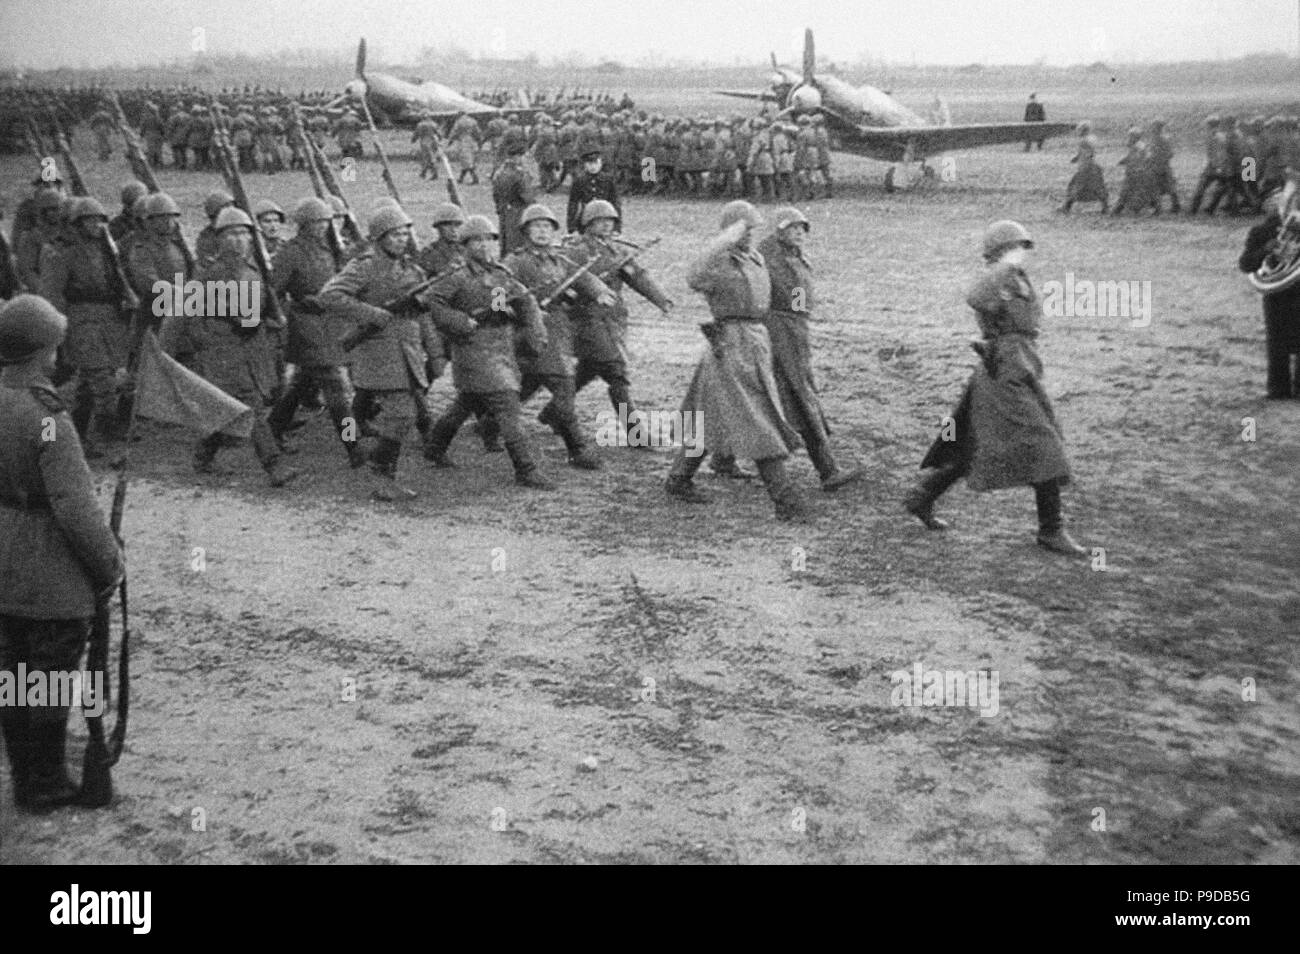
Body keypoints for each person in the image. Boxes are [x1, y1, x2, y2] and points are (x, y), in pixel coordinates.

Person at [0, 294, 125, 812]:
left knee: (12, 678)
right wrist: (110, 565)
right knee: (48, 679)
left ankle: (27, 775)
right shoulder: (48, 417)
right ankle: (45, 782)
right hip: (49, 574)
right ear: (45, 349)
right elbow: (74, 508)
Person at [902, 220, 1086, 556]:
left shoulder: (1015, 279)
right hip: (1004, 371)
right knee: (1044, 442)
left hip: (1017, 366)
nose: (1021, 253)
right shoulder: (1000, 277)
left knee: (973, 444)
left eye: (1022, 247)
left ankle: (922, 498)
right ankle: (1051, 529)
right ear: (1000, 252)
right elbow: (975, 297)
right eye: (1015, 247)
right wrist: (1001, 270)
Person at [664, 201, 810, 522]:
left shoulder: (756, 258)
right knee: (757, 418)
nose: (749, 234)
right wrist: (724, 239)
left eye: (752, 229)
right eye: (743, 228)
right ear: (730, 231)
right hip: (729, 345)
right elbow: (692, 275)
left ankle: (678, 478)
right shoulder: (718, 262)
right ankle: (784, 498)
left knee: (711, 415)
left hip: (755, 342)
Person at [419, 215, 556, 490]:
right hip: (472, 348)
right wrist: (460, 321)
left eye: (489, 240)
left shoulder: (500, 273)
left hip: (501, 349)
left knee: (466, 403)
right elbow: (431, 301)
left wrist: (534, 329)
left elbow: (524, 298)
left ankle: (434, 447)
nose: (484, 246)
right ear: (465, 245)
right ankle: (526, 468)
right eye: (476, 241)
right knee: (508, 407)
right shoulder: (456, 276)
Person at [169, 207, 299, 488]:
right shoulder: (211, 273)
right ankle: (274, 464)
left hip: (251, 345)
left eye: (244, 233)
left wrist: (274, 317)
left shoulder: (253, 268)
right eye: (231, 234)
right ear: (220, 239)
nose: (239, 240)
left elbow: (265, 299)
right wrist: (201, 340)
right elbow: (186, 310)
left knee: (228, 409)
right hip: (223, 348)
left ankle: (203, 455)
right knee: (250, 405)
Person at [318, 203, 440, 501]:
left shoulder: (413, 269)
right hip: (377, 351)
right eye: (394, 235)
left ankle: (355, 448)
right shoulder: (365, 266)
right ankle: (379, 472)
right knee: (401, 415)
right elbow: (329, 296)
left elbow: (422, 316)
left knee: (358, 408)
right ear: (379, 237)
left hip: (407, 352)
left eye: (404, 233)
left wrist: (434, 352)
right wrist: (370, 313)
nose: (401, 239)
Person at [756, 208, 864, 491]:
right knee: (798, 397)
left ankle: (721, 457)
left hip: (792, 333)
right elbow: (778, 295)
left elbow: (799, 298)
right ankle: (827, 470)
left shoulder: (792, 256)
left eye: (802, 229)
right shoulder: (771, 257)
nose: (799, 234)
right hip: (780, 335)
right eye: (793, 229)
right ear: (779, 231)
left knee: (761, 398)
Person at [502, 204, 615, 470]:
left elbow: (582, 277)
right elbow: (498, 294)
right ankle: (577, 448)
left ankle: (490, 423)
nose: (542, 232)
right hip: (528, 331)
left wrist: (599, 290)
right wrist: (517, 310)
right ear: (526, 231)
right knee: (563, 387)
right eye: (536, 226)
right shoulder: (514, 262)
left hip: (557, 331)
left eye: (547, 227)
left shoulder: (560, 259)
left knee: (530, 382)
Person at [563, 199, 672, 448]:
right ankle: (636, 434)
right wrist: (592, 289)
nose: (605, 225)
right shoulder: (576, 250)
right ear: (587, 224)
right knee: (616, 372)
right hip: (586, 319)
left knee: (589, 369)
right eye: (599, 221)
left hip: (612, 319)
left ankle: (551, 413)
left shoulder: (617, 250)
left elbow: (637, 276)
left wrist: (661, 299)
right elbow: (570, 278)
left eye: (610, 221)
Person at [37, 197, 133, 458]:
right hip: (81, 322)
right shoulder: (64, 251)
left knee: (87, 388)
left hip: (109, 320)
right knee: (104, 386)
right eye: (89, 220)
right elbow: (52, 294)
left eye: (100, 219)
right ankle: (109, 444)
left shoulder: (106, 248)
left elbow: (117, 279)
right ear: (77, 223)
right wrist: (60, 329)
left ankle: (76, 439)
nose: (96, 225)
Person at [267, 197, 359, 464]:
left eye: (324, 221)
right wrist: (290, 310)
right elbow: (274, 290)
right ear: (302, 225)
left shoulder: (329, 249)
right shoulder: (291, 252)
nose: (321, 227)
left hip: (330, 325)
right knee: (337, 390)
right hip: (306, 326)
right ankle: (353, 446)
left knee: (300, 385)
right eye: (314, 222)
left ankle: (273, 428)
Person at [1238, 188, 1300, 398]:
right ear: (1265, 206)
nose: (1278, 204)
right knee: (1276, 342)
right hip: (1276, 294)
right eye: (1273, 201)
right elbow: (1246, 264)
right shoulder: (1259, 232)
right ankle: (1278, 389)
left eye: (1282, 200)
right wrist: (1266, 249)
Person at [492, 140, 536, 256]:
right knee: (518, 244)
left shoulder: (499, 172)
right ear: (518, 157)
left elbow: (495, 194)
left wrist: (499, 207)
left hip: (504, 211)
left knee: (505, 242)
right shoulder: (520, 174)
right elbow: (528, 197)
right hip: (519, 212)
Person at [567, 149, 622, 234]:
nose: (593, 167)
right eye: (589, 164)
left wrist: (616, 228)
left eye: (596, 163)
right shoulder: (579, 181)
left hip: (605, 217)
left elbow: (615, 204)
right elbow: (573, 205)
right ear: (585, 165)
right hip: (586, 217)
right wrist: (572, 228)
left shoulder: (608, 180)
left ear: (601, 163)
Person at [1059, 121, 1108, 213]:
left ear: (1083, 131)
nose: (1078, 132)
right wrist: (1077, 158)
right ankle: (1105, 206)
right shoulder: (1092, 139)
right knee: (1097, 187)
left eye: (1079, 130)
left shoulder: (1084, 141)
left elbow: (1087, 153)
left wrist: (1082, 160)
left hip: (1085, 168)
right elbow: (1087, 152)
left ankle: (1066, 206)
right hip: (1091, 166)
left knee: (1076, 186)